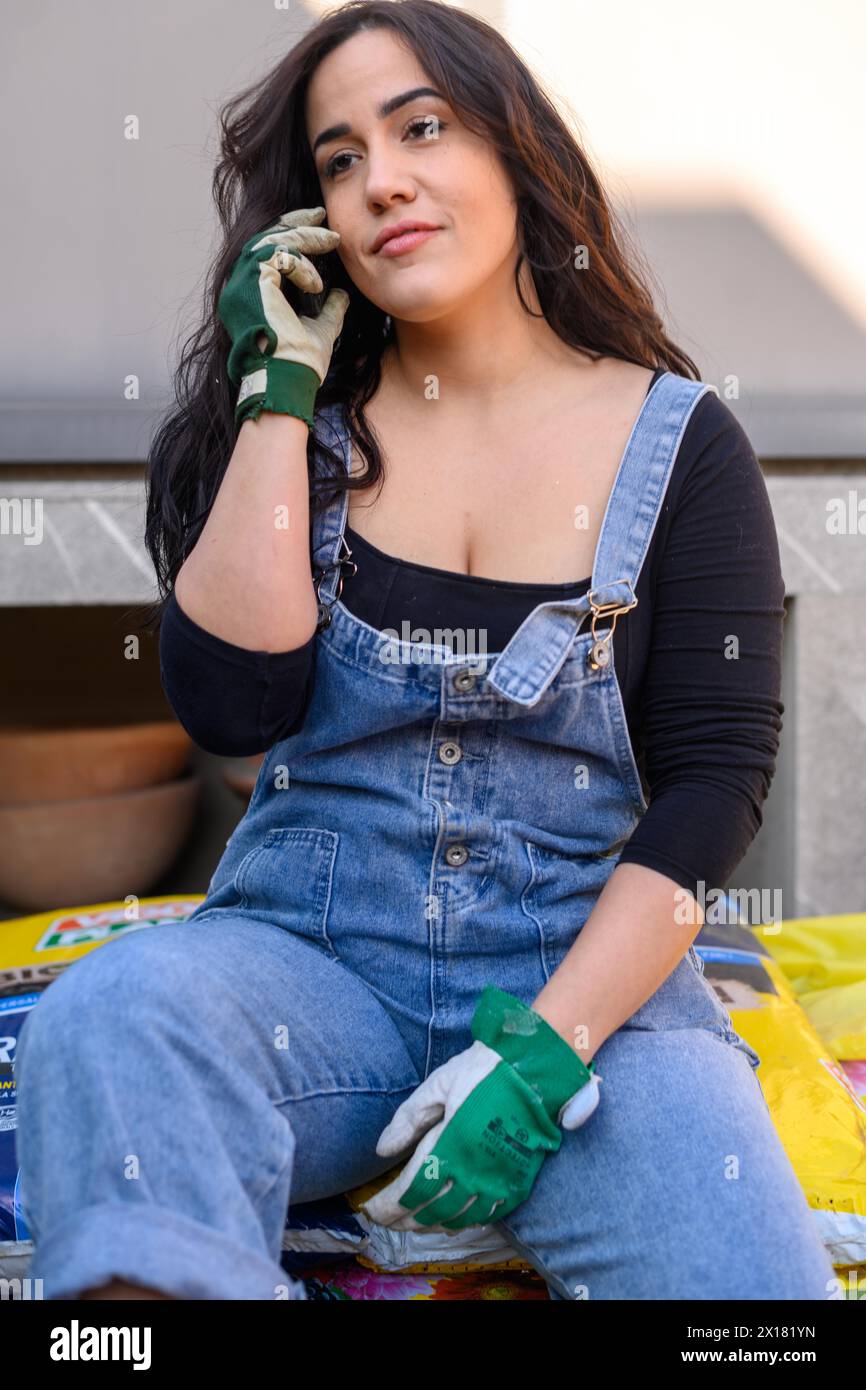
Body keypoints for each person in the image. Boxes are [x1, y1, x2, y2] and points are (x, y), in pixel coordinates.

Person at [14, 0, 836, 1301]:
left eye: (420, 127)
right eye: (338, 158)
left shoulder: (681, 442)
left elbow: (711, 784)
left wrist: (546, 1054)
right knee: (115, 1011)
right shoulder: (299, 423)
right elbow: (238, 698)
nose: (377, 177)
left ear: (515, 152)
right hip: (309, 965)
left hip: (584, 998)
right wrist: (274, 393)